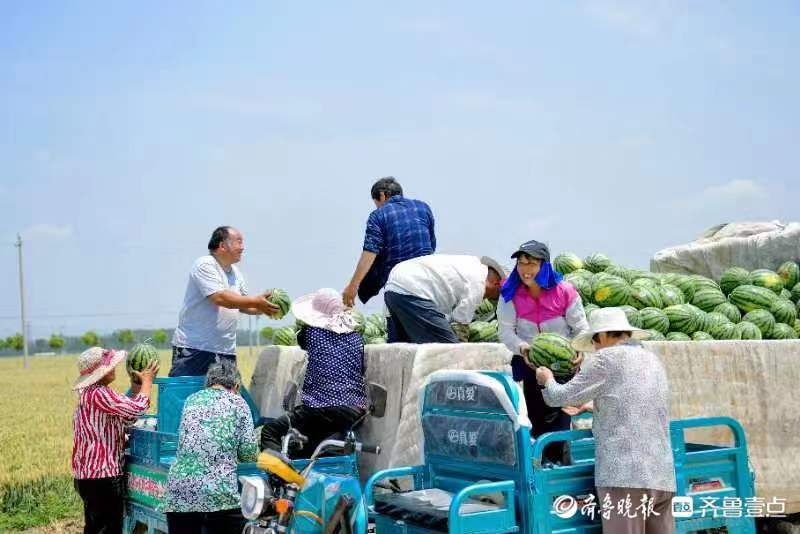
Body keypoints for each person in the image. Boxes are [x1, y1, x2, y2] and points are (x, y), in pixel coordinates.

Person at [536, 307, 676, 534]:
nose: (595, 348)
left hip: (624, 476)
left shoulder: (605, 358)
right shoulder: (652, 359)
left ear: (601, 336)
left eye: (594, 341)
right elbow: (636, 402)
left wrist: (546, 380)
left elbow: (559, 397)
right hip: (661, 474)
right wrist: (591, 406)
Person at [496, 239, 589, 465]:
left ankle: (560, 476)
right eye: (521, 263)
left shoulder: (564, 291)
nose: (525, 269)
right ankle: (542, 471)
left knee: (560, 423)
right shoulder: (510, 293)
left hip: (564, 368)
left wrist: (580, 350)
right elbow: (505, 332)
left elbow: (582, 329)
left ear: (544, 265)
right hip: (531, 367)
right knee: (536, 423)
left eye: (532, 263)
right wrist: (523, 347)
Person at [261, 288, 368, 458]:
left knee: (270, 431)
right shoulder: (357, 337)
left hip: (320, 408)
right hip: (354, 411)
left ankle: (278, 478)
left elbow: (301, 340)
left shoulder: (310, 333)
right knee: (312, 440)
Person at [161, 360, 258, 534]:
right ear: (236, 386)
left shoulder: (191, 400)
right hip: (218, 495)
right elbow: (249, 454)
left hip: (178, 492)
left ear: (209, 383)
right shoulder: (239, 403)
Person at [171, 226, 279, 376]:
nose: (243, 248)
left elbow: (242, 304)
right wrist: (255, 301)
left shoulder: (236, 273)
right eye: (239, 242)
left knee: (225, 399)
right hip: (195, 349)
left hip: (225, 351)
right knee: (186, 396)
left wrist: (265, 307)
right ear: (222, 245)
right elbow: (219, 297)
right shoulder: (205, 264)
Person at [72, 346, 158, 534]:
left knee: (95, 527)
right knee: (109, 529)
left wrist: (137, 385)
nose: (115, 368)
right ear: (100, 373)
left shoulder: (90, 394)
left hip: (88, 477)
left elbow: (127, 416)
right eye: (111, 366)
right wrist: (147, 383)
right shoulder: (99, 393)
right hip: (102, 476)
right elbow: (137, 410)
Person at [343, 177, 436, 307]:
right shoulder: (423, 208)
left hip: (400, 284)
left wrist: (353, 286)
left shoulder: (378, 215)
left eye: (376, 202)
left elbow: (369, 253)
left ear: (382, 195)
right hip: (428, 278)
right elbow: (431, 245)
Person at [383, 254, 505, 344]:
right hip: (413, 289)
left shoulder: (471, 265)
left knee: (403, 347)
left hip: (393, 286)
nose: (496, 298)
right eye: (499, 294)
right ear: (496, 283)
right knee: (447, 349)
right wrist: (463, 347)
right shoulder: (478, 283)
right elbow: (460, 322)